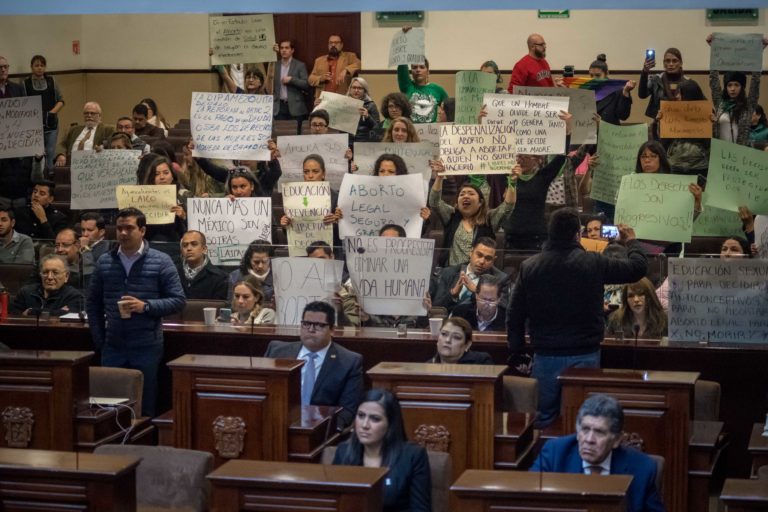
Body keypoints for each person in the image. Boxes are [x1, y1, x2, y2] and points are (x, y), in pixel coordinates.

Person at [507, 208, 647, 428]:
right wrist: (632, 242)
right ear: (576, 235)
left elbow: (515, 313)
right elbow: (636, 269)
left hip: (545, 355)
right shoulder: (593, 262)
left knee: (542, 420)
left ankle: (547, 459)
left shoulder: (529, 266)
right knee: (585, 420)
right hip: (585, 353)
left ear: (549, 233)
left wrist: (517, 348)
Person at [86, 207, 186, 417]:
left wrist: (146, 306)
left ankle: (143, 447)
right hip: (113, 346)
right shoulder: (105, 261)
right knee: (109, 407)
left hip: (146, 346)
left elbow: (178, 300)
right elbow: (93, 303)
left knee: (145, 405)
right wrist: (100, 340)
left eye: (129, 228)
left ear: (142, 230)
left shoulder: (161, 261)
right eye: (119, 228)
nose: (123, 233)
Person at [532, 394, 665, 512]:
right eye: (585, 429)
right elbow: (530, 502)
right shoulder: (554, 453)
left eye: (599, 432)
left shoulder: (642, 468)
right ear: (577, 432)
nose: (589, 440)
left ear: (617, 440)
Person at [264, 301, 363, 430]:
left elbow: (348, 410)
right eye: (306, 324)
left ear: (332, 330)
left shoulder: (349, 361)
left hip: (321, 431)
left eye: (319, 325)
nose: (311, 330)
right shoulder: (277, 351)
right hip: (275, 424)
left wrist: (325, 433)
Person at [332, 388, 431, 512]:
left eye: (375, 419)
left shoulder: (413, 456)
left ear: (390, 424)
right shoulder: (343, 452)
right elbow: (334, 503)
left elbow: (420, 509)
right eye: (361, 416)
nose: (365, 425)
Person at [429, 172, 516, 267]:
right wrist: (439, 177)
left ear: (480, 202)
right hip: (452, 275)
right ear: (457, 203)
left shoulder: (489, 219)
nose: (466, 196)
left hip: (480, 274)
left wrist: (512, 182)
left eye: (471, 194)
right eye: (462, 194)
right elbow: (434, 202)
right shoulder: (451, 216)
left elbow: (508, 206)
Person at [433, 237, 509, 312]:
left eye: (488, 258)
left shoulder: (500, 279)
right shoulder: (450, 272)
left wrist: (477, 291)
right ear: (471, 253)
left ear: (493, 260)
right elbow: (436, 307)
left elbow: (502, 310)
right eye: (479, 255)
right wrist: (453, 294)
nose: (482, 261)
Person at [638, 47, 702, 137]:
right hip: (659, 128)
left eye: (674, 61)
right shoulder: (656, 80)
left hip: (683, 129)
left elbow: (702, 105)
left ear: (681, 63)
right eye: (667, 61)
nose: (671, 64)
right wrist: (645, 72)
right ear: (663, 63)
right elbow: (642, 95)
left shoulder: (689, 83)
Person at [396, 30, 448, 124]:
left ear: (428, 72)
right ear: (411, 71)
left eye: (422, 67)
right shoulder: (407, 86)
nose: (418, 70)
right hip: (411, 134)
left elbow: (450, 110)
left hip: (431, 133)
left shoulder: (438, 90)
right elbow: (402, 63)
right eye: (414, 67)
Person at [23, 55, 65, 169]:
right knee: (37, 154)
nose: (39, 68)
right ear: (31, 67)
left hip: (51, 124)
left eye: (42, 65)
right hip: (34, 125)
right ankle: (37, 179)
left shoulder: (52, 81)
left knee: (51, 151)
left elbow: (61, 100)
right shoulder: (25, 83)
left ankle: (50, 176)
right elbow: (24, 104)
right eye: (36, 65)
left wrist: (51, 113)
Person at [10, 254, 83, 316]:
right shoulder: (25, 293)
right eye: (45, 272)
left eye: (55, 272)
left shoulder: (74, 296)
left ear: (66, 276)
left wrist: (32, 312)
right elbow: (13, 317)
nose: (50, 277)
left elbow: (70, 317)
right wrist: (58, 312)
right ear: (40, 274)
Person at [55, 101, 114, 166]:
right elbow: (62, 145)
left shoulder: (107, 129)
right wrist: (61, 155)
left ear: (99, 116)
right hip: (71, 163)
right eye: (86, 113)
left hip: (93, 164)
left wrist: (102, 146)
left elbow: (111, 142)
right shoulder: (74, 129)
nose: (89, 115)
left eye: (92, 113)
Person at [269, 40, 310, 133]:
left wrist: (291, 80)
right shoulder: (275, 65)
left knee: (296, 135)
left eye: (287, 48)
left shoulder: (300, 65)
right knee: (280, 134)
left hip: (296, 107)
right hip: (279, 106)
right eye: (282, 48)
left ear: (292, 50)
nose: (284, 50)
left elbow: (306, 84)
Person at [176, 230, 228, 300]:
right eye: (185, 245)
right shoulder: (173, 274)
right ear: (181, 250)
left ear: (204, 249)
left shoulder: (220, 277)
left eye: (194, 244)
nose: (189, 248)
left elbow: (219, 307)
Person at [308, 34, 361, 100]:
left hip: (342, 98)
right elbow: (310, 79)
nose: (333, 45)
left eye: (336, 43)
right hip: (322, 99)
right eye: (331, 43)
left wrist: (346, 70)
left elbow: (359, 64)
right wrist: (321, 78)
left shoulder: (349, 56)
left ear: (341, 45)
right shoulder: (319, 60)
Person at [588, 54, 634, 125]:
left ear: (607, 73)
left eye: (598, 75)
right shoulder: (586, 90)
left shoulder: (617, 90)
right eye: (591, 75)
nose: (594, 79)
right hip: (588, 131)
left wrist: (626, 92)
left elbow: (623, 116)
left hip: (610, 133)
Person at [427, 317, 493, 364]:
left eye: (456, 337)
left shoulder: (482, 362)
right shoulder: (427, 367)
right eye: (444, 334)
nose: (448, 340)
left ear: (467, 345)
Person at [228, 240, 274, 304]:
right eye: (256, 262)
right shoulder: (235, 276)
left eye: (264, 262)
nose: (260, 266)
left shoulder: (278, 276)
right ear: (249, 260)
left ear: (271, 260)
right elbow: (231, 305)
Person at [348, 77, 380, 142]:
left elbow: (377, 128)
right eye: (354, 87)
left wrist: (368, 117)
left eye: (359, 88)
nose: (356, 90)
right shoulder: (343, 103)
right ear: (350, 89)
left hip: (363, 142)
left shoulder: (371, 105)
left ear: (364, 90)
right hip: (346, 142)